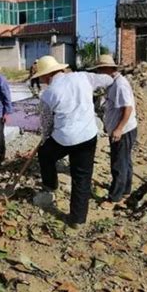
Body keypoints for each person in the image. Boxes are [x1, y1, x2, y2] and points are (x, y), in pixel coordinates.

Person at [31, 56, 113, 229]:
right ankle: (77, 219)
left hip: (64, 138)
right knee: (82, 177)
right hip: (87, 136)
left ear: (46, 76)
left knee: (45, 153)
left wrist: (45, 138)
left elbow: (46, 124)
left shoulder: (47, 94)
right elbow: (107, 79)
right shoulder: (82, 77)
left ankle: (50, 186)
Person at [89, 55, 137, 209]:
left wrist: (118, 128)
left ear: (108, 69)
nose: (98, 74)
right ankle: (125, 191)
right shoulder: (113, 83)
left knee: (118, 163)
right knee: (125, 161)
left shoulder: (120, 85)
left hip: (123, 130)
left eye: (100, 70)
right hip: (122, 129)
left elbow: (127, 108)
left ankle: (114, 198)